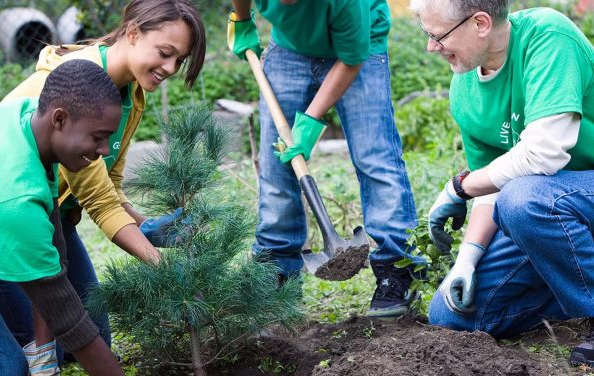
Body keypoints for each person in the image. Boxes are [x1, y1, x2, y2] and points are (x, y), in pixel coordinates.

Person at [0, 0, 206, 360]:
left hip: (55, 221)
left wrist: (142, 223)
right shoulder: (74, 89)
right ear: (132, 32)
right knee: (22, 351)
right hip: (4, 226)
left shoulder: (131, 93)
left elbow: (108, 182)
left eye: (180, 60)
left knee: (91, 337)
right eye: (165, 53)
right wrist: (165, 268)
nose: (171, 68)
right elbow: (100, 203)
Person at [409, 0, 594, 366]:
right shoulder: (464, 89)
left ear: (480, 23)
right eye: (426, 34)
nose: (431, 47)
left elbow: (543, 154)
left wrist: (458, 187)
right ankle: (573, 282)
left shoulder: (547, 37)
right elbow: (493, 183)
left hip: (559, 199)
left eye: (437, 36)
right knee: (451, 315)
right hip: (556, 211)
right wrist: (468, 257)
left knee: (524, 199)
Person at [227, 0, 419, 318]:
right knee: (277, 166)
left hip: (360, 48)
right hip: (289, 48)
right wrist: (243, 18)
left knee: (375, 158)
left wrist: (308, 124)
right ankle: (277, 275)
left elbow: (351, 58)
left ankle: (395, 271)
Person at [0, 59, 125, 375]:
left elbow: (53, 247)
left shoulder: (25, 121)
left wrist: (43, 350)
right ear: (60, 119)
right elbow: (65, 315)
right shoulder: (13, 199)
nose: (106, 149)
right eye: (98, 137)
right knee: (3, 370)